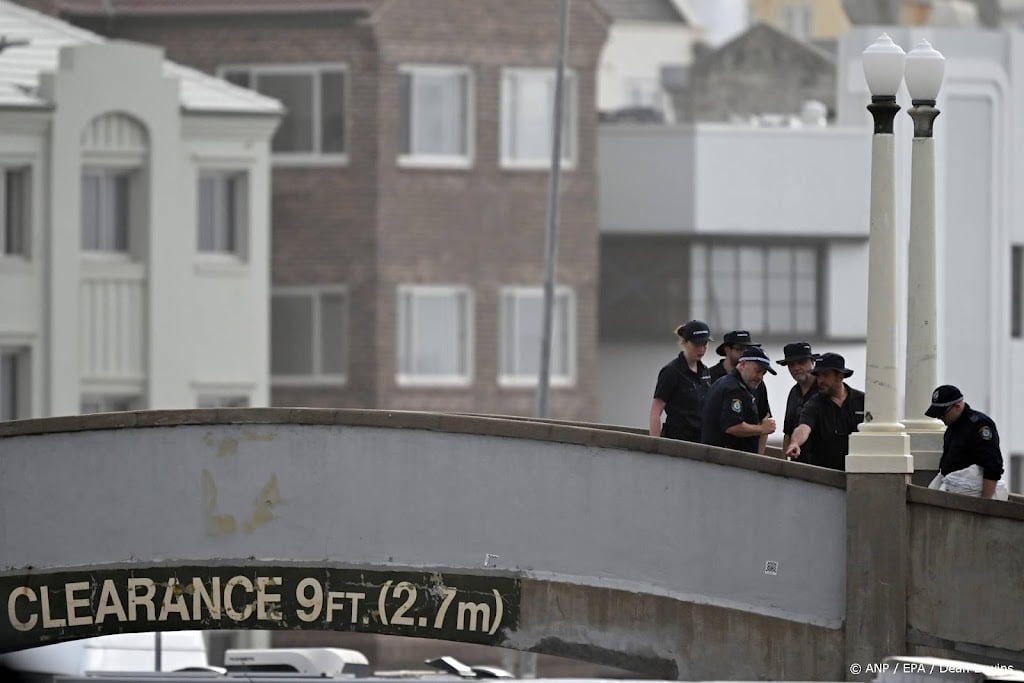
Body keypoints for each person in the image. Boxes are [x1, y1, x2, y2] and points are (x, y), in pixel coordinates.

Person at [783, 352, 865, 470]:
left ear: (840, 376)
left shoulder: (862, 401)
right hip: (824, 475)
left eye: (825, 375)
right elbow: (804, 428)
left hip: (856, 471)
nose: (820, 380)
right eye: (818, 375)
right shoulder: (814, 404)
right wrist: (795, 443)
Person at [925, 385, 1007, 500]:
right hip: (953, 491)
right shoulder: (952, 427)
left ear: (957, 406)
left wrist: (985, 502)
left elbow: (992, 466)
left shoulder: (980, 425)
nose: (939, 418)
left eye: (942, 414)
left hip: (971, 496)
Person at [700, 346, 777, 453]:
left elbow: (764, 417)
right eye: (757, 371)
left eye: (763, 373)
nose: (760, 377)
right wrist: (761, 429)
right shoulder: (734, 389)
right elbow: (732, 426)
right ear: (742, 364)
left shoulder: (726, 382)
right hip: (726, 460)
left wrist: (758, 458)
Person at [649, 320, 714, 442]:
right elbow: (655, 412)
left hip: (700, 440)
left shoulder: (705, 371)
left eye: (705, 344)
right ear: (684, 342)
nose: (701, 349)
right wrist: (655, 445)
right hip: (677, 441)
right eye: (696, 344)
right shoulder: (671, 372)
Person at [776, 342, 819, 461]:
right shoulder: (793, 393)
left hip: (822, 463)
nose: (796, 368)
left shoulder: (824, 391)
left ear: (813, 362)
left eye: (801, 362)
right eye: (791, 364)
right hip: (799, 461)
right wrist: (783, 464)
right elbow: (788, 433)